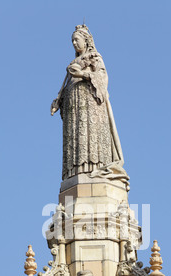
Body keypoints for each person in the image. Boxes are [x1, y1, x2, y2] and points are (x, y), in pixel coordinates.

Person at [51, 24, 125, 181]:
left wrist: (83, 74)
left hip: (91, 102)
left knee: (91, 134)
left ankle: (95, 168)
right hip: (74, 105)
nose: (74, 43)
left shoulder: (94, 57)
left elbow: (102, 77)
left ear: (86, 40)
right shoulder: (72, 63)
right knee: (76, 136)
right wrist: (59, 100)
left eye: (76, 40)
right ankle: (75, 174)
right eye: (72, 41)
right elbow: (67, 85)